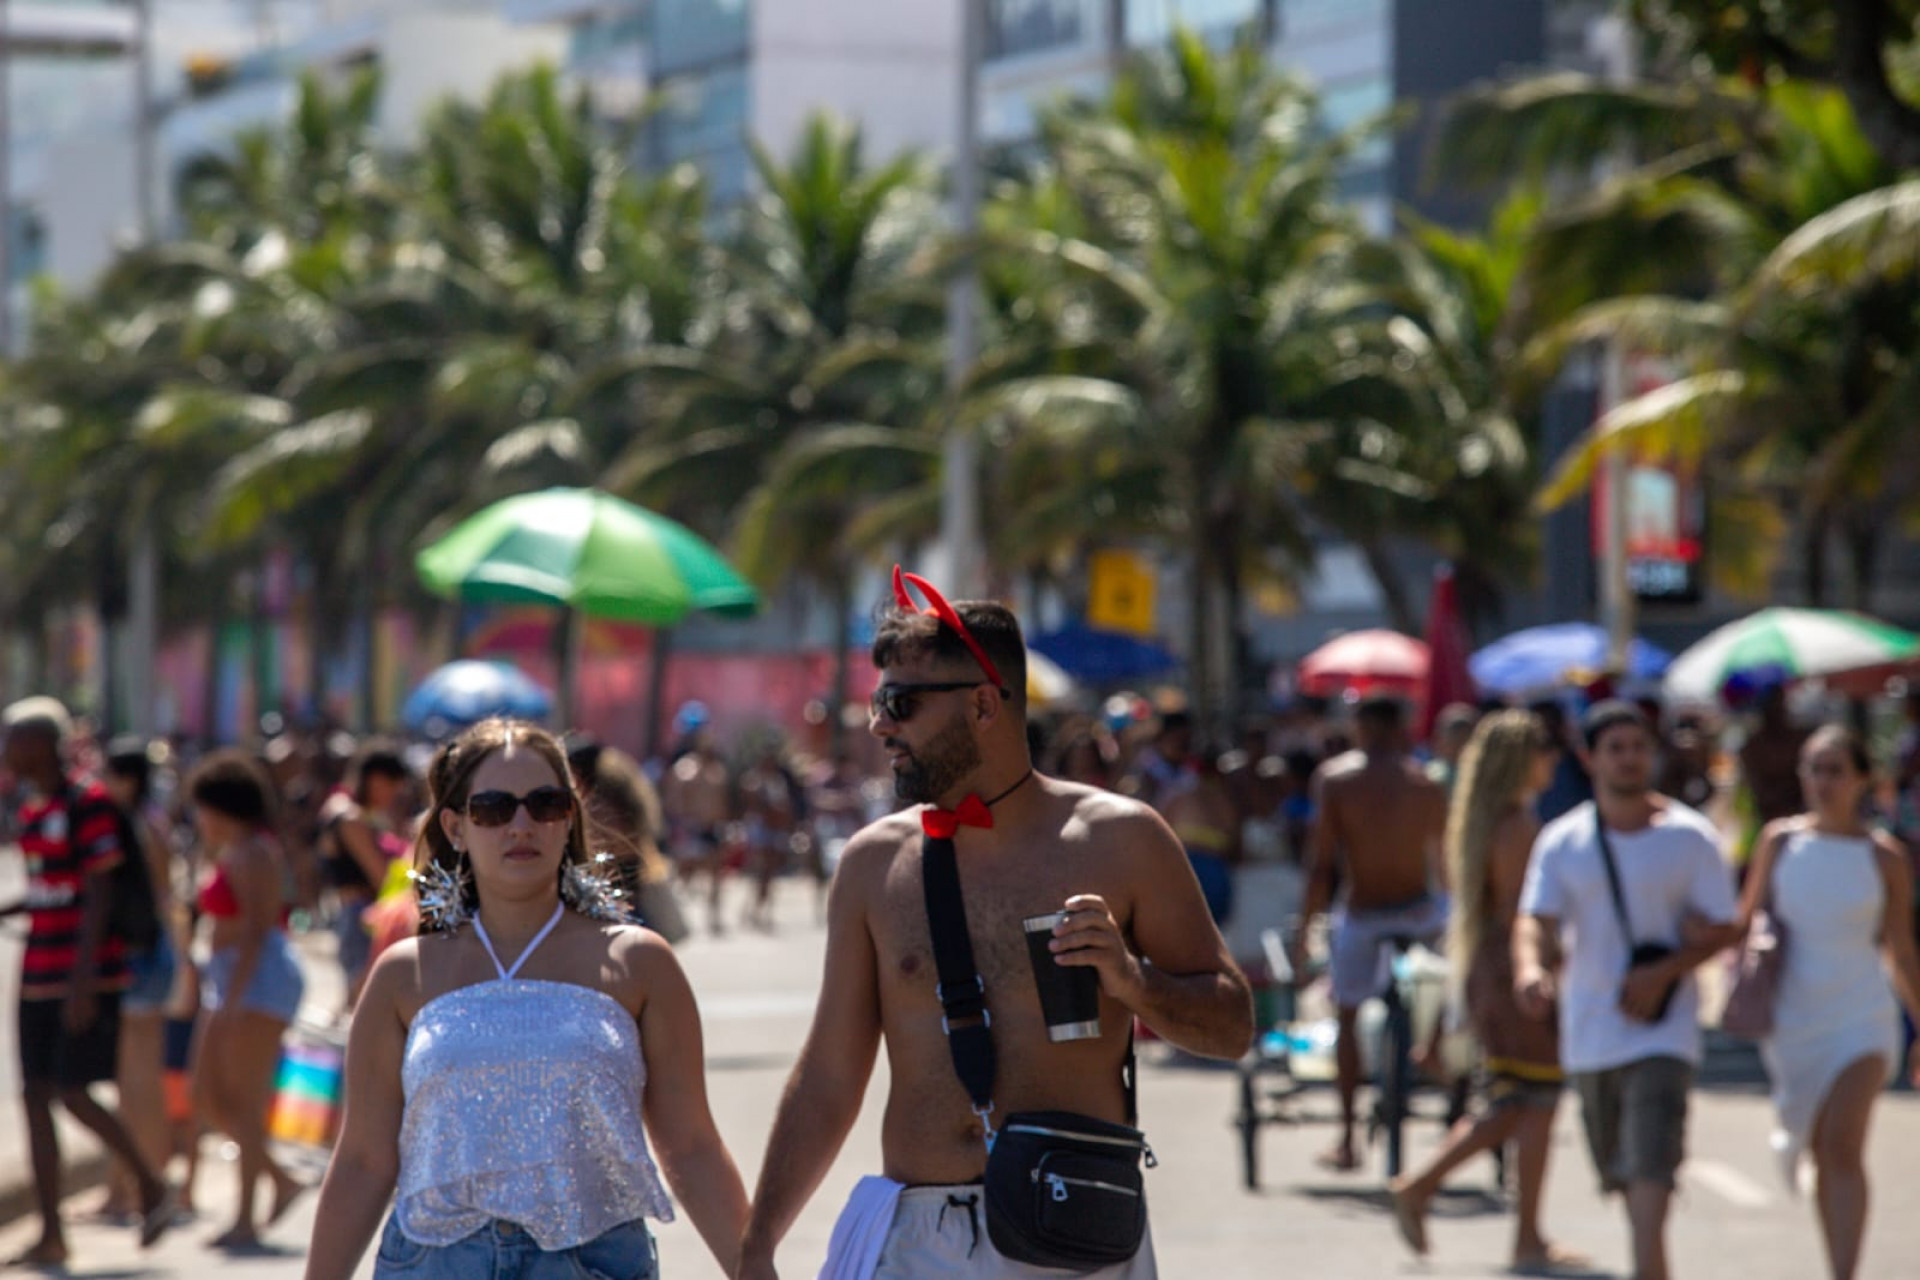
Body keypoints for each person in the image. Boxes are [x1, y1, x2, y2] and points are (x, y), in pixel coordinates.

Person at [736, 573, 1252, 1280]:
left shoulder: (1121, 840)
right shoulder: (873, 865)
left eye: (900, 703)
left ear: (983, 703)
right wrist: (758, 1242)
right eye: (876, 701)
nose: (880, 724)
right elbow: (829, 1073)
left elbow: (1231, 1028)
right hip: (917, 1235)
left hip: (1070, 1228)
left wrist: (1134, 982)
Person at [302, 718, 749, 1280]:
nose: (521, 824)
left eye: (545, 804)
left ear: (569, 819)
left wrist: (753, 1268)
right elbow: (364, 1160)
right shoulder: (403, 974)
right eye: (493, 808)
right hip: (434, 1263)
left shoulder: (638, 963)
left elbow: (690, 1145)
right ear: (456, 826)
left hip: (593, 1263)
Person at [1514, 701, 1743, 1280]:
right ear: (1590, 759)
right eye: (1616, 748)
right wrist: (1530, 970)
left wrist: (1665, 972)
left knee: (1650, 1172)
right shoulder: (1562, 842)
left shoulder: (1691, 838)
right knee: (1621, 1172)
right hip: (1590, 1032)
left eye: (1639, 747)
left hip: (1663, 1033)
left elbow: (1725, 926)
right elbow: (1534, 919)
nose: (1630, 758)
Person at [1390, 712, 1582, 1272]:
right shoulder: (1517, 825)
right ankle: (1426, 1185)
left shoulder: (1483, 821)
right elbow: (1530, 912)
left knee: (1526, 1102)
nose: (1554, 759)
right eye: (1545, 748)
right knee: (1525, 1101)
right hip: (1512, 970)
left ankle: (1527, 1235)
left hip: (1490, 968)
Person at [2, 698, 175, 1267]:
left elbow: (100, 890)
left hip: (84, 977)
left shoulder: (89, 802)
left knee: (75, 1093)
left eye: (16, 739)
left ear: (45, 744)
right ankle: (52, 1233)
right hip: (36, 975)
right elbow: (59, 885)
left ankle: (151, 1184)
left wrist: (82, 982)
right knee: (33, 1098)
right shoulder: (33, 808)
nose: (7, 749)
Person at [1746, 727, 1920, 1279]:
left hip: (1863, 1017)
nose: (1822, 782)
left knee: (1842, 1145)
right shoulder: (1778, 841)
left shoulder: (1884, 856)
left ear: (1862, 779)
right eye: (1813, 769)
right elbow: (1741, 920)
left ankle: (1844, 1273)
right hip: (1795, 1019)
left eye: (1835, 770)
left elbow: (1900, 948)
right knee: (1821, 1149)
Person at [1294, 695, 1450, 1173]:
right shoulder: (1424, 783)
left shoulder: (1339, 780)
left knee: (1347, 1013)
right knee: (1456, 975)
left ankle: (1347, 1137)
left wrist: (1306, 927)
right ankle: (1437, 1050)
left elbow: (1322, 865)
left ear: (1361, 727)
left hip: (1363, 913)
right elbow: (1443, 865)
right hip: (1419, 912)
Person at [187, 749, 309, 1250]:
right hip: (232, 980)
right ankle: (279, 1180)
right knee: (207, 1097)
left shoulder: (255, 852)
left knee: (244, 1097)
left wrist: (232, 1000)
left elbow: (259, 929)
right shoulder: (234, 849)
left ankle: (245, 1215)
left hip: (254, 982)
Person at [98, 737, 191, 1223]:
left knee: (137, 1082)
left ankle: (143, 1187)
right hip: (150, 958)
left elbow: (154, 900)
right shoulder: (149, 822)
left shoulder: (139, 826)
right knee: (138, 1080)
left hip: (140, 959)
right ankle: (133, 1186)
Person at [568, 735, 690, 945]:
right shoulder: (621, 779)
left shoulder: (600, 795)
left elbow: (613, 840)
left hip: (616, 877)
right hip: (633, 872)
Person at [318, 742, 413, 1009]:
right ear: (375, 779)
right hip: (361, 914)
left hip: (355, 912)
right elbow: (380, 875)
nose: (393, 795)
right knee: (367, 1001)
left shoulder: (348, 811)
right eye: (391, 786)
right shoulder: (351, 817)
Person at [661, 704, 735, 936]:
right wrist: (681, 824)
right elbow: (673, 800)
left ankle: (714, 916)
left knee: (716, 873)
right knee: (684, 871)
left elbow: (723, 800)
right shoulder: (685, 769)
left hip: (713, 827)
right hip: (691, 828)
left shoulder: (717, 771)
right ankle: (672, 912)